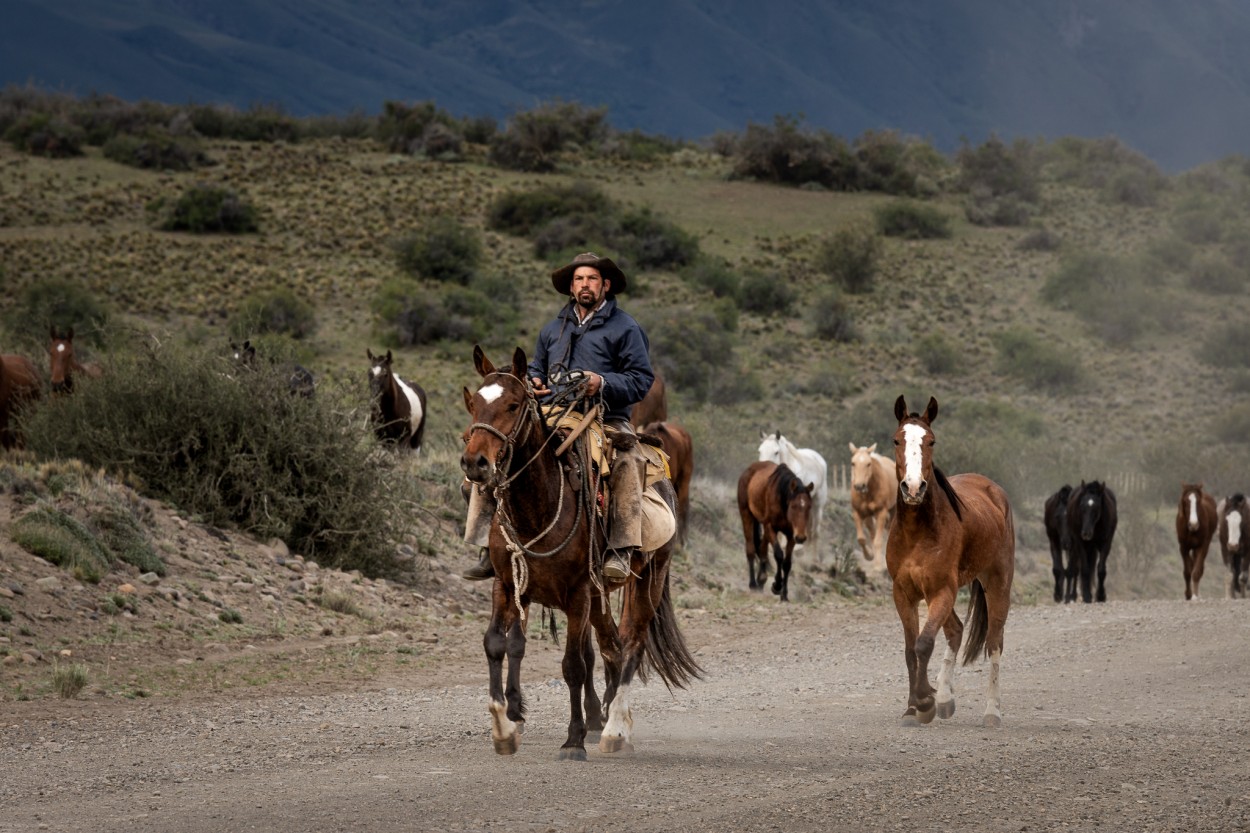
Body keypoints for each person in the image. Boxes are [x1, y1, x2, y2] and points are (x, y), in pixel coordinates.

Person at [462, 251, 656, 582]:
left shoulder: (626, 328)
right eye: (579, 279)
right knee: (500, 449)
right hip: (552, 412)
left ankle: (621, 549)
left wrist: (602, 382)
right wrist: (535, 381)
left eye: (592, 279)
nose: (585, 284)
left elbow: (641, 379)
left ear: (605, 285)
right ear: (571, 287)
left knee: (626, 460)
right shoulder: (553, 329)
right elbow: (537, 367)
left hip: (605, 416)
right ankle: (488, 547)